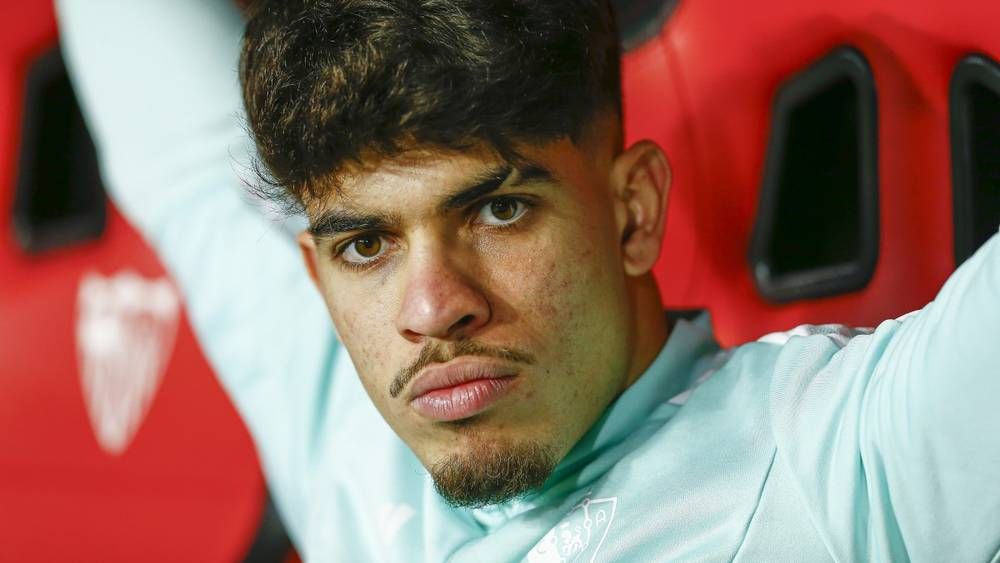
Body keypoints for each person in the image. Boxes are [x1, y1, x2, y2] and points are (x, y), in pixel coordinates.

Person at [57, 0, 1000, 561]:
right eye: (367, 244)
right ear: (318, 272)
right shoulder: (343, 417)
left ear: (633, 211)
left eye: (499, 210)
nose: (432, 308)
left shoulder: (840, 462)